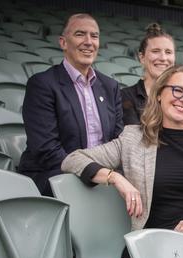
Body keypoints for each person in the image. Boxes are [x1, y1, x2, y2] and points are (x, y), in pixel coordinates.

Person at [62, 66, 183, 258]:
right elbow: (72, 160)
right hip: (157, 237)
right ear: (159, 94)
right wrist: (114, 177)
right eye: (178, 90)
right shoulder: (133, 139)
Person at [19, 13, 123, 196]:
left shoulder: (110, 86)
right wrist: (97, 173)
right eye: (80, 34)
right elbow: (47, 151)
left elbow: (118, 142)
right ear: (63, 42)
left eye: (94, 36)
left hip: (102, 179)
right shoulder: (42, 84)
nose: (89, 42)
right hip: (57, 178)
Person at [121, 23, 175, 125]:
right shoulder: (125, 96)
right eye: (155, 51)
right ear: (142, 57)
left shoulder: (182, 96)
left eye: (168, 52)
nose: (163, 58)